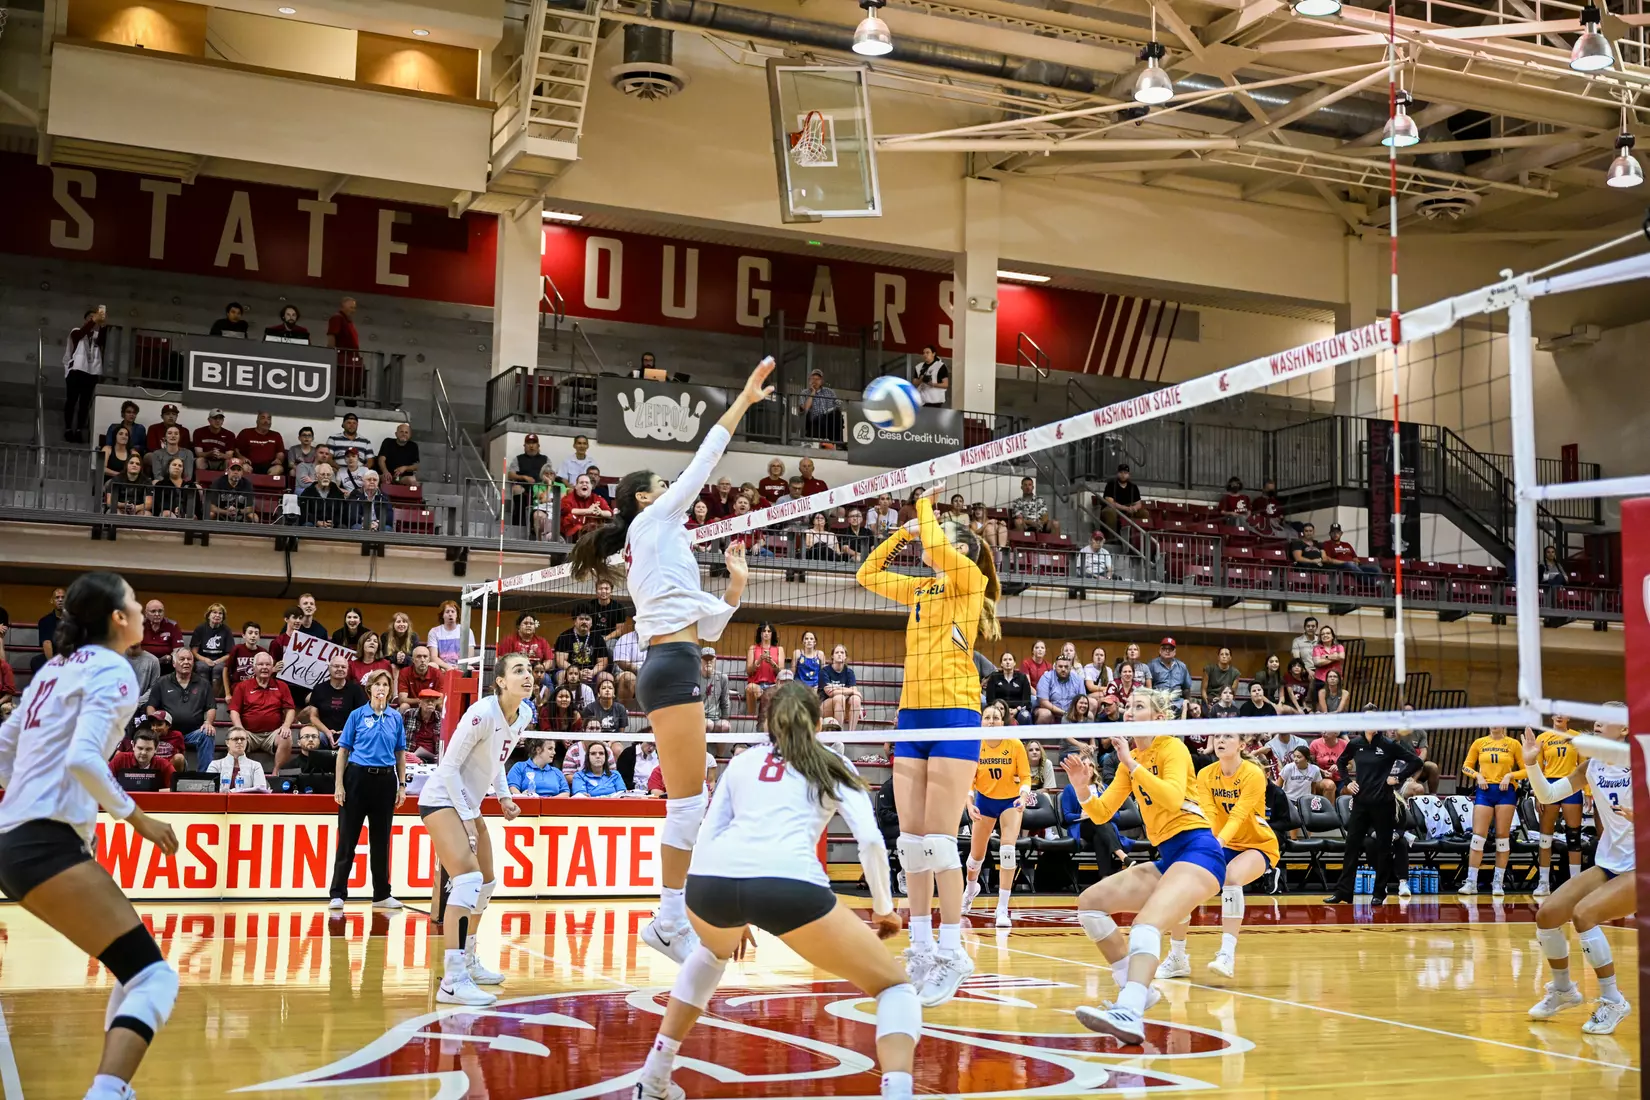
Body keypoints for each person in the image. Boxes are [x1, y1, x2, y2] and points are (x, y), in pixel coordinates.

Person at [565, 356, 771, 966]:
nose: (670, 489)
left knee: (691, 799)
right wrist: (742, 401)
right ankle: (669, 920)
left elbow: (703, 624)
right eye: (661, 484)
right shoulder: (654, 520)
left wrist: (735, 587)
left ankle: (676, 916)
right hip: (672, 666)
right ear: (644, 497)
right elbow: (705, 459)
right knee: (688, 803)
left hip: (676, 660)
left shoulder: (657, 541)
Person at [634, 680, 916, 1100]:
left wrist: (732, 905)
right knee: (895, 988)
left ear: (766, 724)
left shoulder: (743, 762)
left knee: (710, 954)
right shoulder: (834, 763)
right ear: (818, 723)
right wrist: (882, 907)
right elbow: (872, 842)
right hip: (789, 885)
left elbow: (708, 832)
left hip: (711, 886)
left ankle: (654, 1076)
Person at [0, 571, 180, 1100]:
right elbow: (82, 757)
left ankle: (114, 1088)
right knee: (156, 978)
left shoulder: (55, 669)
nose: (141, 609)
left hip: (15, 839)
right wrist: (139, 819)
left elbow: (5, 748)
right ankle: (107, 1090)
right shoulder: (112, 668)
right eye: (133, 600)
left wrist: (34, 799)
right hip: (43, 842)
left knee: (129, 969)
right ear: (118, 618)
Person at [857, 481, 1001, 1006]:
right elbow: (867, 574)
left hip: (955, 715)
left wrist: (924, 508)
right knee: (911, 843)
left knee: (940, 841)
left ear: (960, 549)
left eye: (940, 539)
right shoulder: (922, 591)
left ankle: (952, 950)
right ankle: (919, 948)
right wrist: (901, 534)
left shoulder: (970, 581)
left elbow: (938, 548)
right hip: (911, 716)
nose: (929, 543)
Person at [1062, 687, 1228, 1044]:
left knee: (1145, 926)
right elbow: (1102, 813)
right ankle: (1137, 988)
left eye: (1138, 706)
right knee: (1090, 904)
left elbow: (1171, 798)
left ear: (1159, 718)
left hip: (1200, 852)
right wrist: (1082, 789)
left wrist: (1131, 763)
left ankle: (1130, 1011)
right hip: (1169, 857)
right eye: (1128, 706)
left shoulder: (1172, 748)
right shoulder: (1131, 759)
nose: (1128, 711)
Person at [418, 652, 534, 1005]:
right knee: (468, 879)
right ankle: (452, 980)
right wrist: (468, 816)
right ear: (500, 681)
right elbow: (448, 768)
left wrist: (504, 797)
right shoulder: (481, 713)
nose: (527, 675)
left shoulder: (524, 714)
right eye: (518, 670)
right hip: (441, 799)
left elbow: (497, 761)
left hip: (469, 803)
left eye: (529, 669)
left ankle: (468, 960)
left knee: (486, 883)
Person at [1520, 720, 1634, 1035]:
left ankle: (1613, 1000)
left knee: (1584, 915)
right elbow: (1548, 794)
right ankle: (1563, 990)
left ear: (1624, 730)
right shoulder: (1592, 766)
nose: (1596, 723)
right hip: (1611, 862)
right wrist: (1531, 764)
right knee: (1547, 915)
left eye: (1604, 719)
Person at [1156, 732, 1281, 980]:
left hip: (1257, 844)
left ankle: (1226, 955)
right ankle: (1177, 957)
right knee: (1183, 882)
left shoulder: (1253, 773)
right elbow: (1210, 814)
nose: (1220, 740)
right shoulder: (1205, 774)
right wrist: (1207, 845)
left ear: (1242, 745)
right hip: (1222, 841)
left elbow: (1239, 815)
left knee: (1232, 877)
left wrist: (1216, 844)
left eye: (1228, 736)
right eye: (1217, 736)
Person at [329, 670, 407, 911]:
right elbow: (343, 751)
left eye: (385, 684)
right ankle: (338, 893)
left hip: (385, 781)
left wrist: (402, 785)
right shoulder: (356, 715)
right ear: (369, 689)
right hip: (357, 778)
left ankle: (382, 894)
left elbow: (400, 753)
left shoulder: (396, 717)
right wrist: (339, 784)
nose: (381, 688)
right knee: (348, 839)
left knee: (381, 841)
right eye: (377, 684)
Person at [1321, 724, 1422, 905]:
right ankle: (1343, 892)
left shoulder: (1388, 744)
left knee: (1383, 849)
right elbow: (1341, 762)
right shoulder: (1355, 743)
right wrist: (1347, 781)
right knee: (1351, 847)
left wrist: (1397, 778)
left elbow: (1416, 762)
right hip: (1360, 803)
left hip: (1384, 803)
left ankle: (1379, 893)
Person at [963, 707, 1033, 929]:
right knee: (975, 858)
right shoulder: (975, 745)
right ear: (981, 722)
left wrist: (1023, 797)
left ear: (1002, 722)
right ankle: (971, 889)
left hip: (1010, 802)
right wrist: (969, 804)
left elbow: (1026, 776)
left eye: (995, 718)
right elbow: (968, 780)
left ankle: (1002, 908)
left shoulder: (1014, 744)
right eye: (987, 718)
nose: (991, 721)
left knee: (1007, 851)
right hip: (984, 801)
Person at [1457, 726, 1526, 897]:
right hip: (1485, 791)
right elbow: (1466, 767)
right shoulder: (1479, 743)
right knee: (1478, 837)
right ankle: (1471, 882)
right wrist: (1478, 776)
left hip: (1506, 793)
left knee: (1502, 837)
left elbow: (1526, 770)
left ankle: (1498, 883)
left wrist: (1510, 776)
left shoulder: (1513, 744)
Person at [1531, 716, 1584, 898]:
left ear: (1569, 717)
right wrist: (1538, 794)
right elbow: (1537, 769)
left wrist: (1588, 792)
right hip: (1549, 786)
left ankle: (1575, 885)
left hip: (1572, 785)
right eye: (1556, 713)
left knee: (1574, 837)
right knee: (1545, 838)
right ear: (1552, 716)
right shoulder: (1543, 738)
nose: (1560, 716)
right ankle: (1543, 883)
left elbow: (1584, 766)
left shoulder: (1576, 737)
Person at [62, 305, 109, 444]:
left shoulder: (96, 335)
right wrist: (93, 321)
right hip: (76, 370)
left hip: (92, 372)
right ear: (85, 320)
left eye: (95, 317)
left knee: (85, 403)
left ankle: (79, 430)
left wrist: (103, 325)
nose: (93, 319)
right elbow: (80, 335)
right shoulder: (76, 331)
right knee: (71, 400)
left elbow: (102, 342)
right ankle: (68, 428)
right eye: (91, 317)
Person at [744, 622, 784, 734]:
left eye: (769, 631)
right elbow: (749, 671)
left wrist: (772, 663)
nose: (766, 633)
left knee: (778, 691)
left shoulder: (779, 649)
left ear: (772, 634)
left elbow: (781, 672)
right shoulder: (753, 648)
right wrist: (759, 661)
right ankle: (751, 719)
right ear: (760, 633)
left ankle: (772, 723)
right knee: (750, 688)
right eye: (764, 631)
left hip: (773, 685)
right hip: (757, 684)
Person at [110, 725, 176, 791]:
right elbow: (105, 782)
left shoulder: (164, 765)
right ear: (133, 746)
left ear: (156, 749)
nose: (143, 752)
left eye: (148, 749)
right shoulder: (120, 759)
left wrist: (155, 792)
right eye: (140, 748)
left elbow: (177, 788)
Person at [818, 644, 863, 731]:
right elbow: (830, 693)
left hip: (842, 709)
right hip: (825, 708)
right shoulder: (824, 671)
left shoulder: (849, 672)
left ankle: (851, 733)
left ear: (845, 656)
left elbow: (854, 690)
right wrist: (850, 690)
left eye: (842, 652)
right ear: (832, 656)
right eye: (837, 652)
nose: (839, 654)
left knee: (856, 699)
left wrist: (836, 687)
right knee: (840, 698)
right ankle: (839, 733)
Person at [984, 651, 1033, 726]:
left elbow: (1026, 700)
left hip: (1017, 710)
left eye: (1010, 659)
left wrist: (1016, 710)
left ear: (1014, 663)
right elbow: (990, 699)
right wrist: (1002, 709)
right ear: (1001, 664)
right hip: (999, 709)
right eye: (1005, 660)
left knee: (1025, 715)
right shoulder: (994, 677)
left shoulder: (1022, 677)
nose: (1007, 662)